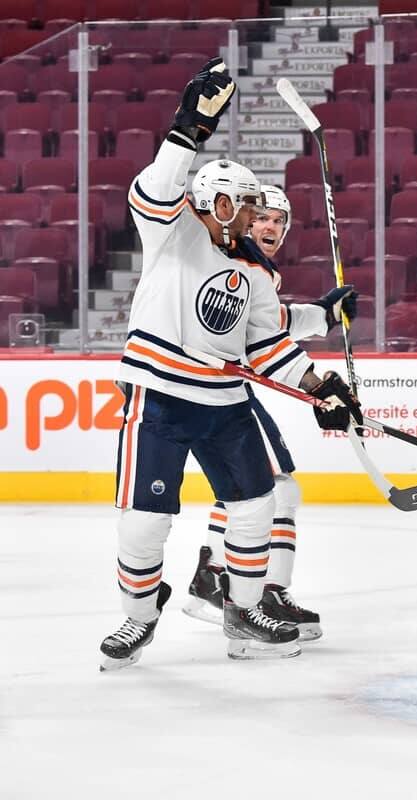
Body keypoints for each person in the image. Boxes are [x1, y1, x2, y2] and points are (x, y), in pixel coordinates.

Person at [100, 59, 361, 671]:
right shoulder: (172, 232)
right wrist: (186, 131)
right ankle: (139, 616)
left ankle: (243, 610)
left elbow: (265, 346)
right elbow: (157, 188)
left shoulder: (257, 273)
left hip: (222, 403)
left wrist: (319, 385)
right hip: (158, 399)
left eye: (252, 205)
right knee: (143, 524)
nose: (251, 216)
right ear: (213, 202)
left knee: (256, 506)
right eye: (243, 204)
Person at [183, 184, 356, 641]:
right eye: (262, 217)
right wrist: (316, 380)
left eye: (280, 220)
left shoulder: (250, 268)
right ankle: (257, 589)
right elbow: (263, 337)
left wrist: (322, 315)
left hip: (223, 387)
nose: (271, 227)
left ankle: (216, 577)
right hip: (211, 388)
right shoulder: (232, 261)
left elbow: (269, 325)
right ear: (240, 217)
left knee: (253, 489)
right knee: (274, 489)